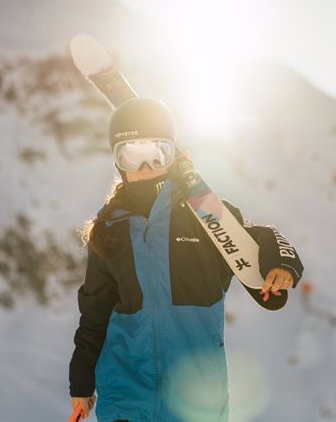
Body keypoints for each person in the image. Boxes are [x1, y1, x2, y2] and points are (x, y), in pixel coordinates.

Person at [68, 98, 305, 422]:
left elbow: (260, 236)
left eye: (157, 154)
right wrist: (81, 383)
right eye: (132, 155)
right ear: (118, 162)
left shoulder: (203, 215)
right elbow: (93, 314)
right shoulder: (109, 229)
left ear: (173, 155)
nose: (146, 167)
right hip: (126, 390)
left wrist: (281, 264)